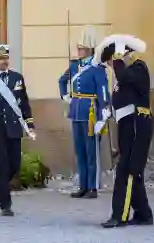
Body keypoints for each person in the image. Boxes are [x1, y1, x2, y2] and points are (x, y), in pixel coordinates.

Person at [93, 35, 154, 228]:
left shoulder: (139, 68)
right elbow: (122, 97)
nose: (112, 66)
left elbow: (125, 78)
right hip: (127, 124)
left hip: (137, 123)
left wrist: (119, 58)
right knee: (133, 170)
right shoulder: (126, 73)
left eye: (113, 61)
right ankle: (144, 214)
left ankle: (119, 215)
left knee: (127, 169)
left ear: (124, 55)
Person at [0, 44, 36, 216]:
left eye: (6, 58)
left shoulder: (17, 78)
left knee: (14, 166)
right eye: (0, 58)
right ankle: (6, 205)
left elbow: (24, 103)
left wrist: (30, 125)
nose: (4, 61)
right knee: (1, 167)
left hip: (14, 128)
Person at [58, 26, 110, 199]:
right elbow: (62, 80)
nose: (78, 51)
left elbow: (103, 92)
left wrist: (103, 115)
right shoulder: (74, 66)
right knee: (79, 149)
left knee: (91, 151)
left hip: (90, 112)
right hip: (76, 110)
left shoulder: (97, 68)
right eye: (78, 48)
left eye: (81, 48)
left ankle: (92, 187)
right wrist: (65, 95)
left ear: (89, 49)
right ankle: (83, 185)